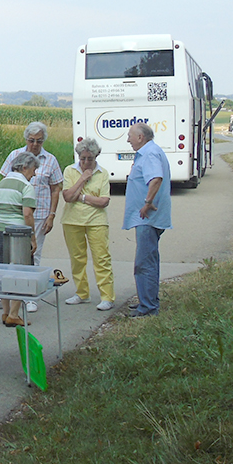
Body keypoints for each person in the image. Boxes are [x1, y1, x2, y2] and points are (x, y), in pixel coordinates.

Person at [122, 123, 171, 318]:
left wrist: (148, 202)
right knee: (148, 260)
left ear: (140, 137)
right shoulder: (149, 151)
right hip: (146, 218)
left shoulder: (149, 154)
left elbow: (156, 178)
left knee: (144, 263)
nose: (128, 140)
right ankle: (147, 300)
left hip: (147, 218)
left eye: (130, 136)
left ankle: (148, 307)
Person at [0, 151, 38, 327]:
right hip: (18, 233)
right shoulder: (26, 186)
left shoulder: (1, 183)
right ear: (24, 168)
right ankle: (14, 314)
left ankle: (5, 312)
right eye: (33, 169)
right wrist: (32, 237)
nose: (34, 173)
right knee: (20, 273)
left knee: (2, 272)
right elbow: (27, 214)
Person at [61, 139, 115, 311]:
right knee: (77, 259)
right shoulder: (70, 171)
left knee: (101, 258)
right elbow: (68, 196)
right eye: (82, 158)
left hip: (96, 222)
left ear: (95, 157)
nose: (85, 162)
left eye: (89, 159)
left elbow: (104, 201)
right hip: (72, 220)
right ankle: (82, 293)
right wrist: (82, 179)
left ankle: (107, 296)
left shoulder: (102, 173)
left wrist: (83, 197)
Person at [0, 122, 62, 266]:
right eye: (31, 140)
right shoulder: (15, 155)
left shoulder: (51, 160)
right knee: (11, 252)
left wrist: (51, 215)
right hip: (14, 213)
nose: (35, 144)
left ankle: (31, 284)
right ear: (26, 139)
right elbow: (4, 182)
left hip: (39, 215)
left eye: (39, 141)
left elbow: (55, 189)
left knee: (34, 251)